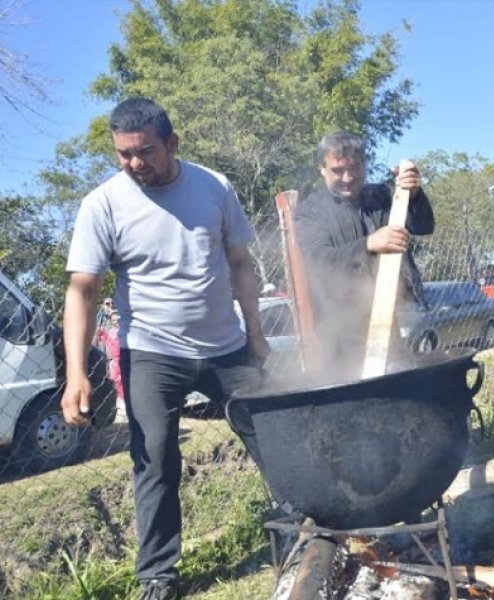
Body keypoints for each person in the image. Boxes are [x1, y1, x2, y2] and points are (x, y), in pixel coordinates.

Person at [61, 97, 269, 600]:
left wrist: (257, 335)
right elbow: (82, 288)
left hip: (227, 347)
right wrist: (76, 373)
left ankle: (304, 520)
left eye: (145, 152)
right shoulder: (103, 204)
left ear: (173, 143)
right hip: (152, 353)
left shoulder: (214, 186)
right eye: (123, 154)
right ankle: (158, 574)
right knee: (154, 458)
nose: (135, 164)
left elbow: (241, 263)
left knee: (270, 432)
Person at [293, 131, 434, 374]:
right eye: (337, 170)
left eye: (354, 168)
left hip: (386, 321)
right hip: (338, 332)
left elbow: (423, 226)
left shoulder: (380, 197)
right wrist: (367, 244)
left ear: (364, 165)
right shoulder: (311, 212)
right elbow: (317, 260)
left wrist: (414, 195)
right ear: (322, 169)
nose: (347, 177)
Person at [94, 310, 125, 415]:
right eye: (113, 320)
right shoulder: (112, 331)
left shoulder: (123, 330)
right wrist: (102, 333)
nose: (116, 322)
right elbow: (108, 341)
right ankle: (122, 398)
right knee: (115, 380)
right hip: (114, 359)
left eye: (117, 319)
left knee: (123, 379)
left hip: (123, 357)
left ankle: (125, 398)